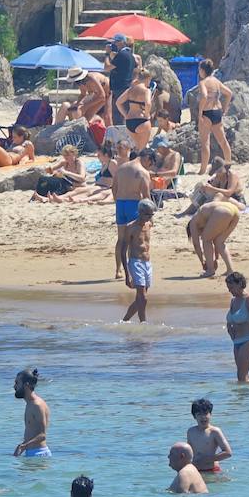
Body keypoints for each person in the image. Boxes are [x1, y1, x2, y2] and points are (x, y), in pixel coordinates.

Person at [112, 147, 153, 280]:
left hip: (120, 204)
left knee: (121, 239)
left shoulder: (122, 167)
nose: (149, 166)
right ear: (147, 158)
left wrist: (117, 201)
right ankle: (131, 271)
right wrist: (150, 216)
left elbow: (114, 188)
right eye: (150, 163)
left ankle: (118, 270)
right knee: (133, 239)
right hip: (133, 205)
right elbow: (146, 196)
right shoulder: (142, 172)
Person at [194, 59, 233, 171]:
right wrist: (225, 108)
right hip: (217, 112)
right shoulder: (216, 81)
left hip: (207, 113)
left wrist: (200, 112)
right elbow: (229, 93)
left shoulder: (202, 82)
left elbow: (205, 96)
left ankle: (202, 170)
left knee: (205, 143)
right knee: (223, 141)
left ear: (202, 70)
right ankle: (228, 164)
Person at [121, 198, 154, 322]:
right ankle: (143, 323)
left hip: (147, 263)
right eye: (147, 214)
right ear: (140, 212)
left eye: (151, 214)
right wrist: (127, 274)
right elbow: (123, 251)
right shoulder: (130, 227)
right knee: (143, 298)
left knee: (140, 299)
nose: (149, 217)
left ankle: (125, 321)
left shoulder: (149, 224)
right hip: (136, 262)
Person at [188, 200, 240, 278]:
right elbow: (214, 240)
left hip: (221, 211)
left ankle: (210, 270)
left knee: (206, 239)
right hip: (234, 210)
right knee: (219, 241)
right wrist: (216, 259)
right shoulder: (204, 220)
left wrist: (203, 262)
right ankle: (230, 270)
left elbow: (196, 245)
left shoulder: (193, 223)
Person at [187, 398, 233, 473]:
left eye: (205, 413)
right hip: (195, 469)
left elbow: (228, 453)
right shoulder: (191, 431)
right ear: (194, 416)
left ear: (210, 414)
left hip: (211, 470)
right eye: (199, 414)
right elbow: (189, 452)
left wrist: (207, 459)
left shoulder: (215, 432)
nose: (203, 417)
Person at [13, 367, 51, 457]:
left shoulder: (37, 405)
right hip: (32, 453)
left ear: (26, 385)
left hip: (39, 453)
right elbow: (32, 433)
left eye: (17, 383)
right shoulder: (29, 404)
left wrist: (23, 446)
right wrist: (23, 446)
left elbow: (42, 435)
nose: (14, 387)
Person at [116, 69, 154, 151]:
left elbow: (118, 102)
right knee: (142, 149)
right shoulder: (146, 90)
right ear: (147, 79)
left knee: (137, 148)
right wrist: (147, 114)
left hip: (129, 121)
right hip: (142, 121)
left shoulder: (130, 90)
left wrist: (125, 115)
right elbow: (148, 103)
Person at [104, 34, 137, 126]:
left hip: (120, 88)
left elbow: (107, 67)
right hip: (126, 86)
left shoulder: (122, 54)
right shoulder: (129, 54)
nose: (115, 44)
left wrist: (107, 54)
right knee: (124, 112)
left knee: (117, 114)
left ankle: (120, 136)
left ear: (122, 42)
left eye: (116, 42)